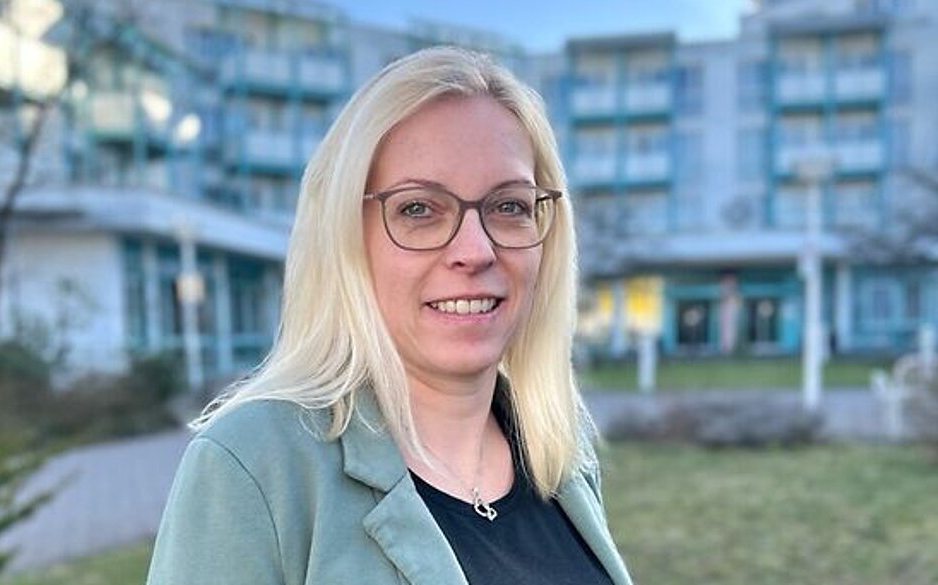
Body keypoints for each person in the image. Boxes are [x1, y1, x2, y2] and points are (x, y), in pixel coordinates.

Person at [146, 46, 633, 585]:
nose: (476, 251)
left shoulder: (557, 450)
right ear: (346, 238)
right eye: (418, 208)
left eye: (509, 206)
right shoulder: (254, 466)